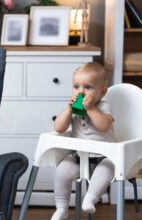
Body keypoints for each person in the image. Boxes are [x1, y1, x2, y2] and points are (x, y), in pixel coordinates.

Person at [51, 62, 116, 220]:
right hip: (78, 156)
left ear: (102, 92)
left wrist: (91, 109)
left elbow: (104, 126)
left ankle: (90, 198)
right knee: (62, 170)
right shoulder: (73, 108)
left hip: (104, 156)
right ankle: (61, 207)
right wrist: (68, 110)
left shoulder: (103, 106)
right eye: (76, 87)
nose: (81, 91)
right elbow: (59, 128)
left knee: (107, 169)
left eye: (88, 87)